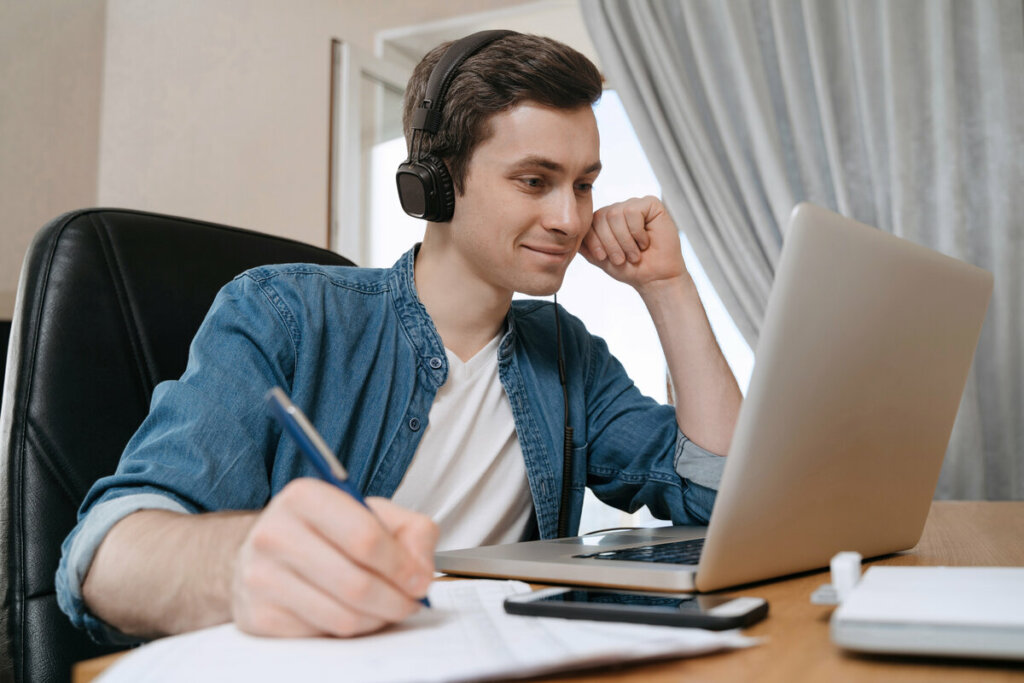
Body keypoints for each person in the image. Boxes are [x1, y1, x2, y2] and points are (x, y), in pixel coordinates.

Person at [56, 31, 741, 644]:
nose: (568, 217)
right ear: (435, 184)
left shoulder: (567, 355)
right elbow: (104, 558)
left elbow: (720, 495)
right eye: (535, 181)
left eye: (584, 184)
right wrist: (246, 559)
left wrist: (667, 285)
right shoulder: (285, 314)